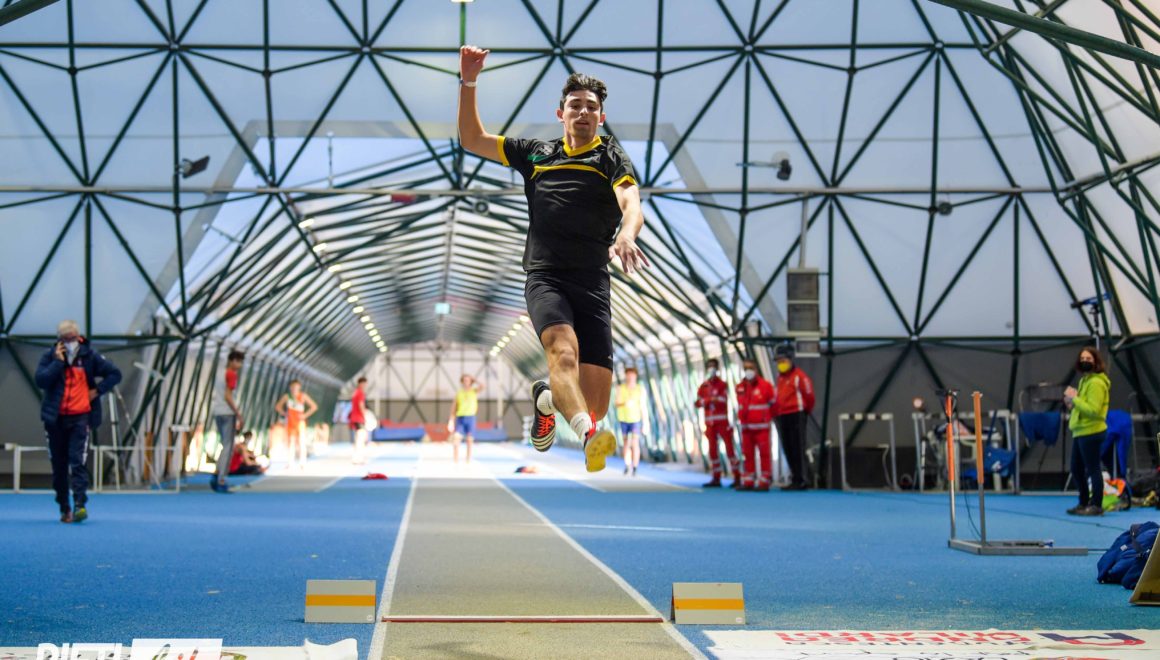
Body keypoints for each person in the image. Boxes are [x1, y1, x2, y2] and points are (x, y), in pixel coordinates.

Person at [458, 45, 649, 473]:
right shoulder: (536, 153)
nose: (583, 112)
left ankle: (547, 398)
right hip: (546, 277)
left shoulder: (610, 157)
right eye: (575, 105)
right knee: (563, 354)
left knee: (594, 402)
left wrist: (626, 234)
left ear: (601, 117)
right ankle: (589, 437)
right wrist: (468, 81)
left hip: (593, 281)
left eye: (591, 107)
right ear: (560, 113)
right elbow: (472, 139)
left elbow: (631, 203)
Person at [35, 320, 122, 523]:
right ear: (59, 340)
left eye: (73, 338)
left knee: (78, 462)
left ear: (79, 337)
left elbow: (115, 374)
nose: (70, 342)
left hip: (81, 418)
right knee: (59, 467)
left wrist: (97, 391)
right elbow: (41, 380)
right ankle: (64, 507)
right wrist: (57, 362)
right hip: (55, 420)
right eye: (65, 339)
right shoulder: (49, 357)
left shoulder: (90, 357)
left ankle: (80, 505)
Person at [1064, 346, 1110, 516]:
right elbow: (1082, 406)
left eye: (1088, 359)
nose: (1084, 361)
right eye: (1082, 358)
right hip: (1080, 431)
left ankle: (1096, 504)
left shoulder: (1096, 383)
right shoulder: (1085, 380)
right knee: (1076, 469)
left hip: (1092, 432)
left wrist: (1075, 399)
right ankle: (1083, 502)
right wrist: (1072, 403)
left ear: (1096, 362)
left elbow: (1093, 410)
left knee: (1093, 469)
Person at [772, 344, 815, 491]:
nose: (781, 364)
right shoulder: (780, 378)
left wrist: (804, 412)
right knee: (788, 447)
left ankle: (802, 479)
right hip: (783, 416)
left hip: (796, 414)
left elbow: (809, 396)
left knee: (798, 447)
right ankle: (795, 477)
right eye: (778, 362)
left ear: (790, 359)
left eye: (783, 361)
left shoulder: (799, 376)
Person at [696, 358, 738, 488]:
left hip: (722, 422)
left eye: (713, 366)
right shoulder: (703, 386)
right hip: (710, 424)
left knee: (730, 450)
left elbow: (721, 400)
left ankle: (737, 476)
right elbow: (698, 403)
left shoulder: (722, 385)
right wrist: (710, 399)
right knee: (713, 451)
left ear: (717, 368)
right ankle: (716, 477)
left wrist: (707, 400)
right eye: (709, 366)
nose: (711, 369)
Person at [735, 358, 775, 492]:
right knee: (747, 454)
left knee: (764, 454)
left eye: (750, 368)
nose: (748, 371)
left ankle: (764, 480)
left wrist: (767, 418)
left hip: (761, 428)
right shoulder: (740, 387)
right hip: (746, 428)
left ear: (756, 369)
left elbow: (774, 405)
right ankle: (749, 480)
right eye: (745, 368)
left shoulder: (766, 386)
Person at [210, 349, 245, 493]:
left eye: (241, 362)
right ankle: (222, 479)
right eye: (238, 362)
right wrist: (238, 414)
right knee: (229, 447)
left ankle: (216, 474)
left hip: (217, 412)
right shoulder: (231, 374)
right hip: (227, 413)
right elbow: (228, 396)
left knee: (224, 444)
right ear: (231, 361)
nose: (239, 365)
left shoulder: (220, 373)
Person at [275, 379, 318, 470]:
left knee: (301, 441)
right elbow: (278, 406)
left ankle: (303, 462)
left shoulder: (303, 396)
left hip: (300, 422)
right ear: (290, 388)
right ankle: (290, 462)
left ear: (299, 387)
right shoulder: (287, 396)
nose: (294, 389)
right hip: (290, 421)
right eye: (293, 387)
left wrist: (305, 415)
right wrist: (284, 413)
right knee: (291, 442)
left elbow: (314, 406)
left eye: (296, 387)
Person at [615, 367, 645, 476]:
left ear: (635, 376)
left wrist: (646, 422)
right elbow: (616, 403)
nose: (630, 377)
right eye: (628, 375)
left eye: (632, 375)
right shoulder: (620, 388)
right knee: (626, 443)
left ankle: (635, 466)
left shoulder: (640, 389)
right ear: (626, 376)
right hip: (623, 419)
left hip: (635, 419)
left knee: (635, 443)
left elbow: (643, 406)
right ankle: (627, 464)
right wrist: (625, 403)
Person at [448, 374, 484, 463]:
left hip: (470, 417)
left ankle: (468, 459)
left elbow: (482, 386)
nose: (466, 382)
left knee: (469, 440)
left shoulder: (474, 391)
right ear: (462, 382)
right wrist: (451, 420)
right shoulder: (459, 393)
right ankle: (455, 460)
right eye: (464, 380)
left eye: (468, 380)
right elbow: (454, 407)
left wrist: (474, 379)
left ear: (471, 381)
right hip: (460, 417)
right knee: (456, 438)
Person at [349, 377, 368, 465]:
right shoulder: (360, 393)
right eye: (364, 384)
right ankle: (358, 458)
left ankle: (356, 457)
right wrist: (365, 416)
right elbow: (361, 405)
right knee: (361, 438)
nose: (365, 385)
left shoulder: (355, 392)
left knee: (358, 438)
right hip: (359, 418)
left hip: (355, 418)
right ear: (360, 384)